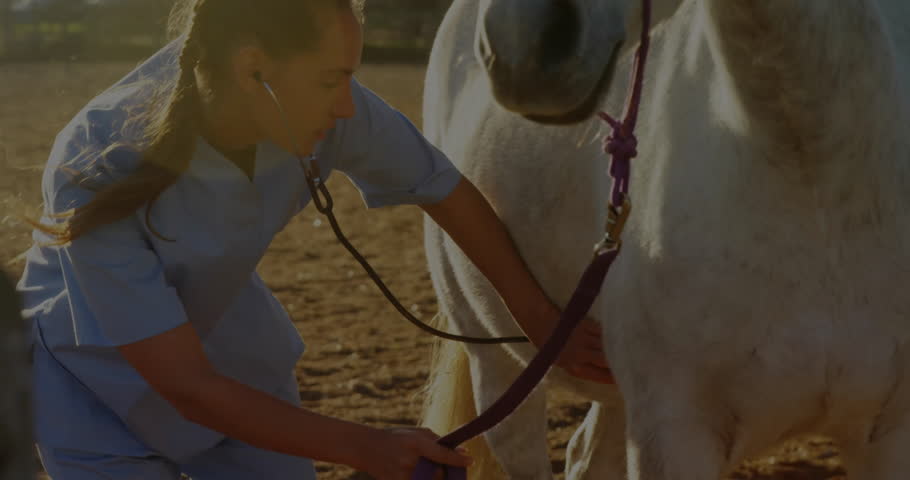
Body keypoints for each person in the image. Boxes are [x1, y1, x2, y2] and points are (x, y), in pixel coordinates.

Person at [15, 0, 614, 478]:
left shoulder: (318, 105)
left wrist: (539, 318)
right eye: (333, 79)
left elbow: (444, 188)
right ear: (254, 70)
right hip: (100, 392)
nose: (350, 105)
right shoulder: (97, 158)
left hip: (235, 357)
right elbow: (186, 386)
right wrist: (367, 447)